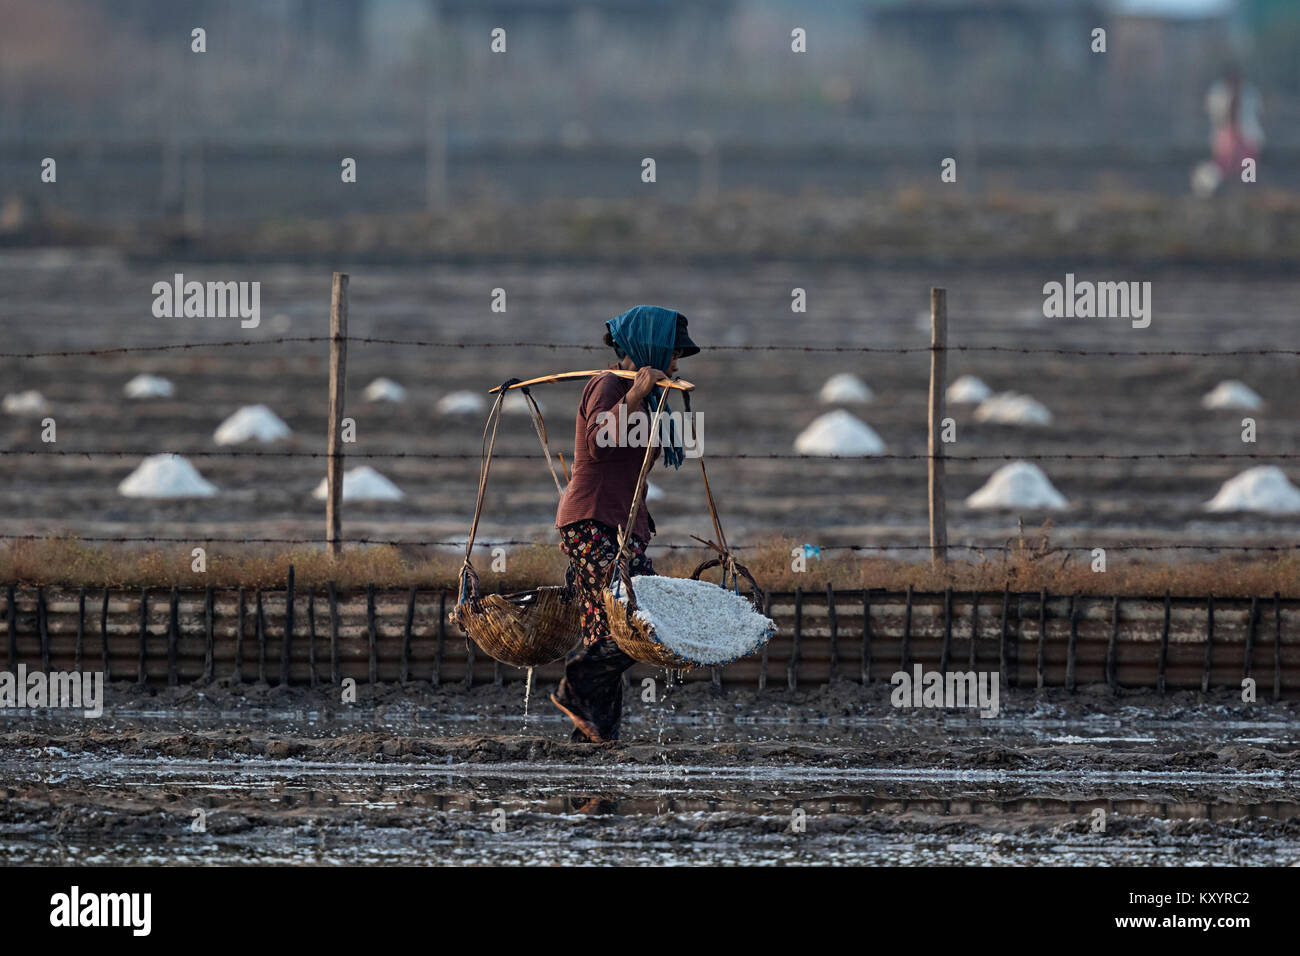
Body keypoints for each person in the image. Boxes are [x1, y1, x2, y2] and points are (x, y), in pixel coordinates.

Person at [549, 305, 699, 743]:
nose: (675, 363)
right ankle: (577, 682)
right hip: (592, 522)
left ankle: (596, 733)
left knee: (609, 628)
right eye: (671, 351)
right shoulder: (608, 385)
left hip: (618, 526)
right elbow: (597, 444)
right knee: (638, 619)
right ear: (647, 347)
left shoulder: (647, 400)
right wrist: (633, 399)